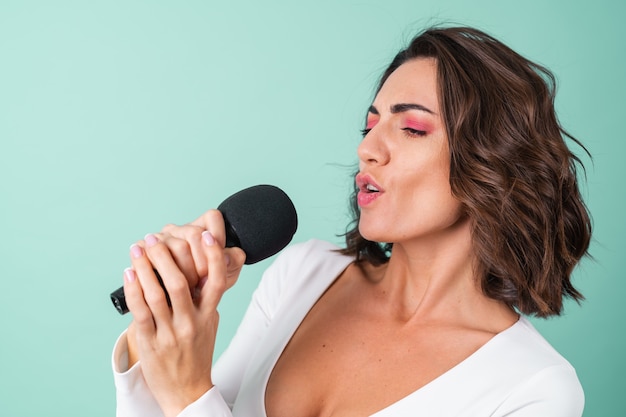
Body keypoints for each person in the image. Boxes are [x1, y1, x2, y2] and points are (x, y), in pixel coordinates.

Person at [112, 25, 592, 416]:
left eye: (410, 128)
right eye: (370, 125)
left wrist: (189, 395)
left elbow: (191, 403)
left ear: (495, 160)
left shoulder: (534, 391)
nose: (367, 149)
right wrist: (164, 326)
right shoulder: (302, 274)